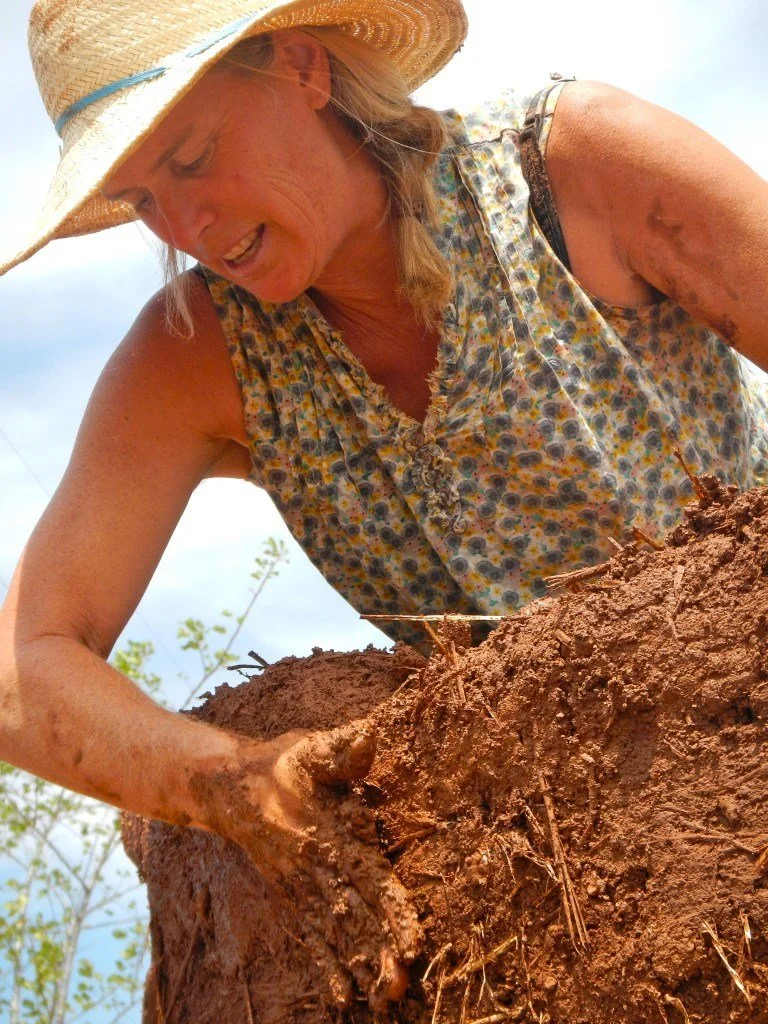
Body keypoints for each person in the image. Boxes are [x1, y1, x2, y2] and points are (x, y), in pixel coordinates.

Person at [1, 0, 767, 1011]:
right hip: (549, 889)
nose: (187, 231)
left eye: (191, 157)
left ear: (306, 68)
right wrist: (222, 780)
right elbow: (24, 670)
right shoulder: (195, 359)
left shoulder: (576, 170)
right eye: (142, 199)